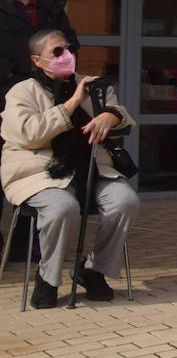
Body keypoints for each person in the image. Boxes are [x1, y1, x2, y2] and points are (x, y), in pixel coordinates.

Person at [1, 30, 138, 309]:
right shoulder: (22, 91)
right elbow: (29, 134)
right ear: (37, 60)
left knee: (125, 201)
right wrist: (73, 102)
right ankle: (48, 278)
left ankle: (92, 270)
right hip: (38, 172)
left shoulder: (92, 85)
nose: (68, 56)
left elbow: (123, 116)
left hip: (91, 168)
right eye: (58, 51)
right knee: (62, 207)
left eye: (71, 48)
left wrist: (110, 116)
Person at [0, 0, 78, 104]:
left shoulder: (50, 2)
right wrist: (9, 75)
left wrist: (61, 68)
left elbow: (69, 41)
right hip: (6, 91)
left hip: (49, 89)